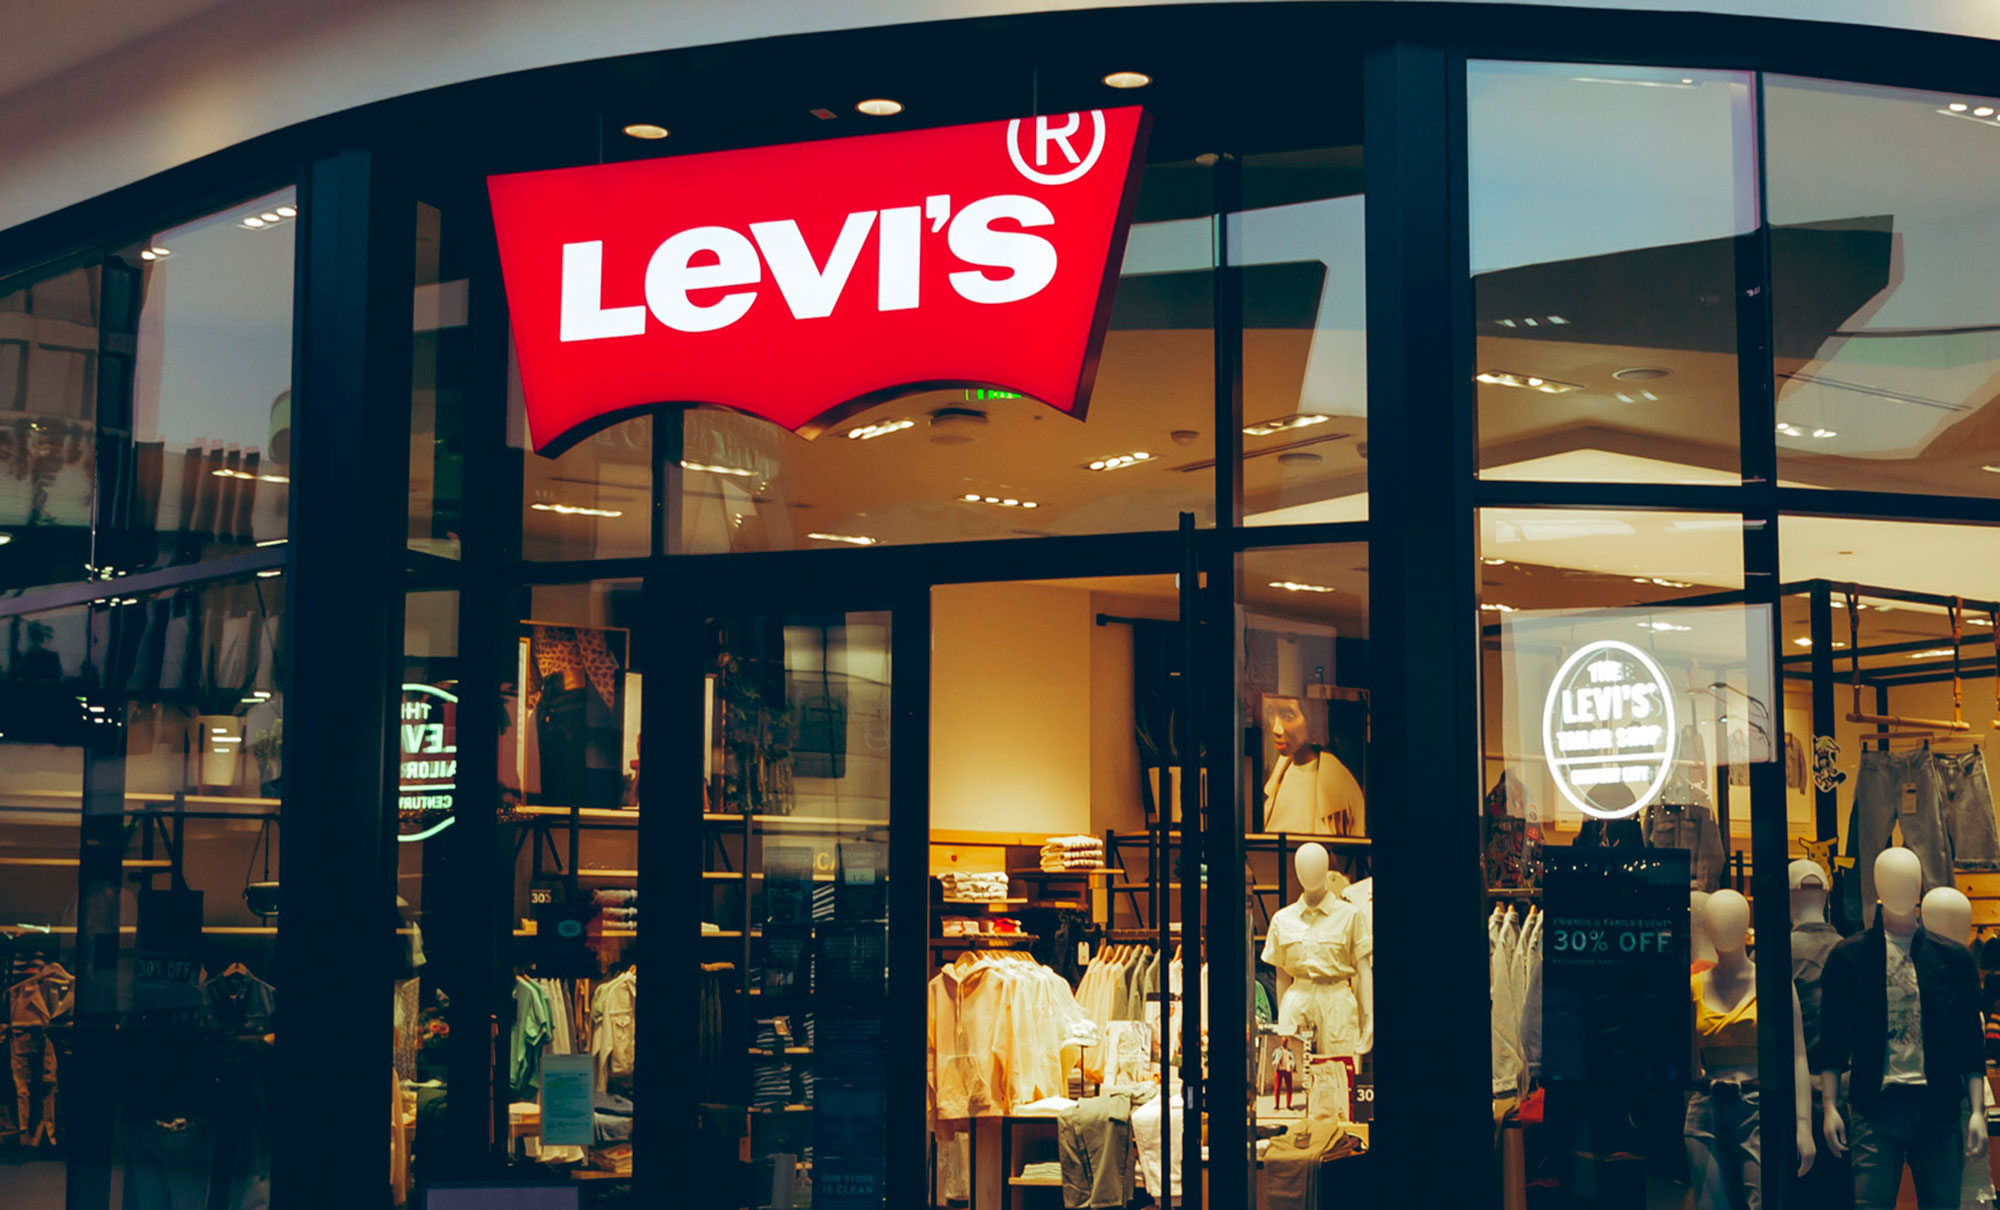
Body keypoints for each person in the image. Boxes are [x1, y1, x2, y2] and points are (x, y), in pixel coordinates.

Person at [1261, 696, 1365, 836]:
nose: (1276, 729)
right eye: (1271, 713)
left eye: (1287, 716)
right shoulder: (1277, 777)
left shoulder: (1343, 786)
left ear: (1313, 719)